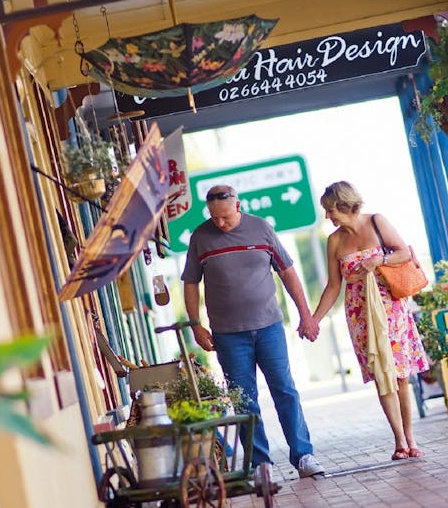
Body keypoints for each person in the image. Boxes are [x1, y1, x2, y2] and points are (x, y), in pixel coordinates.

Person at [181, 184, 325, 478]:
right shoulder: (200, 237)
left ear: (238, 206)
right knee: (244, 400)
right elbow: (191, 283)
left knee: (285, 390)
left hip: (269, 327)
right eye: (214, 217)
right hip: (228, 335)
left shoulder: (261, 229)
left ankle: (303, 456)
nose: (220, 223)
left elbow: (287, 272)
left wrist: (306, 315)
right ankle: (261, 464)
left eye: (225, 217)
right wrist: (196, 324)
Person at [307, 181, 431, 460]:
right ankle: (399, 441)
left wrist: (379, 261)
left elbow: (404, 252)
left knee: (399, 375)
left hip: (391, 310)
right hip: (360, 314)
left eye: (330, 210)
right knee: (381, 376)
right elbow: (333, 286)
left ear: (345, 205)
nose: (328, 216)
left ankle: (410, 437)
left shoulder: (376, 221)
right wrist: (314, 320)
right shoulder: (334, 241)